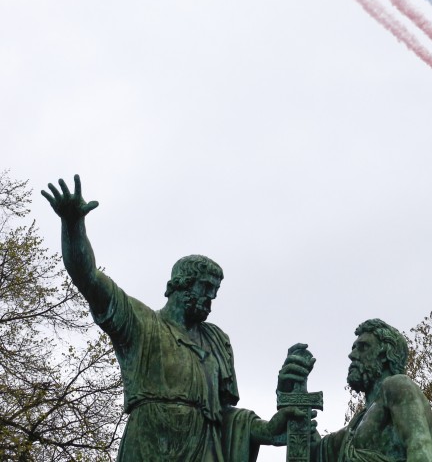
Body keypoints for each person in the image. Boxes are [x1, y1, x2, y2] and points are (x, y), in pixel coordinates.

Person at [42, 175, 298, 461]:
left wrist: (267, 428)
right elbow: (87, 278)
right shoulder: (140, 323)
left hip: (204, 447)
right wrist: (73, 224)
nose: (211, 297)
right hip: (149, 443)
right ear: (181, 284)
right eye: (205, 287)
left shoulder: (216, 340)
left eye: (216, 290)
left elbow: (226, 417)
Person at [281, 319, 432, 462]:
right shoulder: (355, 426)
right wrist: (291, 392)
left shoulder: (397, 386)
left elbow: (420, 448)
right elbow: (312, 453)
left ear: (385, 355)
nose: (352, 355)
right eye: (353, 348)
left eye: (363, 347)